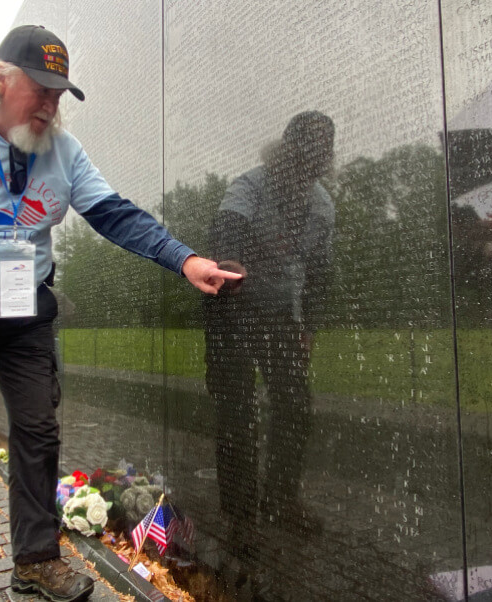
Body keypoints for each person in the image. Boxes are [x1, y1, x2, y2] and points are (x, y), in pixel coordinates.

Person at [0, 25, 239, 602]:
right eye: (38, 88)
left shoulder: (63, 152)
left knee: (39, 431)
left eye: (58, 93)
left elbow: (116, 214)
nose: (49, 104)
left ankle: (36, 562)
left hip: (24, 308)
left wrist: (184, 260)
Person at [202, 112, 335, 573]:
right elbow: (227, 228)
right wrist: (232, 258)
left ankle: (282, 498)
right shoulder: (250, 185)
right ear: (285, 153)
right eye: (301, 158)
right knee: (236, 411)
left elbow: (320, 272)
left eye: (317, 162)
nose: (308, 170)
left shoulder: (321, 204)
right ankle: (240, 517)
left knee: (295, 404)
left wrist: (308, 326)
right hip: (233, 305)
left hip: (279, 311)